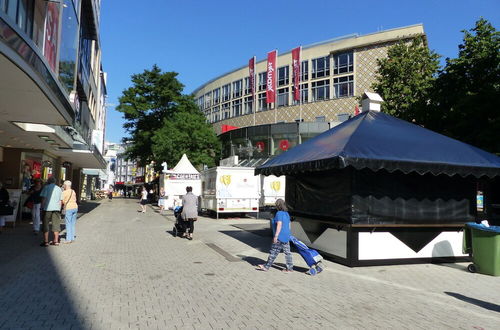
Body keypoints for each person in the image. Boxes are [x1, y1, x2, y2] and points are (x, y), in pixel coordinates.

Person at [257, 199, 293, 272]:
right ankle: (289, 268)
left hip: (280, 236)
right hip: (286, 235)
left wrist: (276, 236)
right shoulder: (287, 213)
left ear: (278, 205)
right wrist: (288, 234)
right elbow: (289, 225)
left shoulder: (279, 213)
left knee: (273, 252)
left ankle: (266, 267)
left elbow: (279, 224)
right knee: (288, 252)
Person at [39, 176, 63, 246]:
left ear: (48, 181)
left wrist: (42, 207)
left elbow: (43, 198)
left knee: (46, 224)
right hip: (56, 208)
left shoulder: (46, 187)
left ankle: (46, 241)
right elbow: (61, 200)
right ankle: (56, 241)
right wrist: (60, 208)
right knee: (56, 224)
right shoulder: (59, 189)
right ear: (55, 182)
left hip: (47, 208)